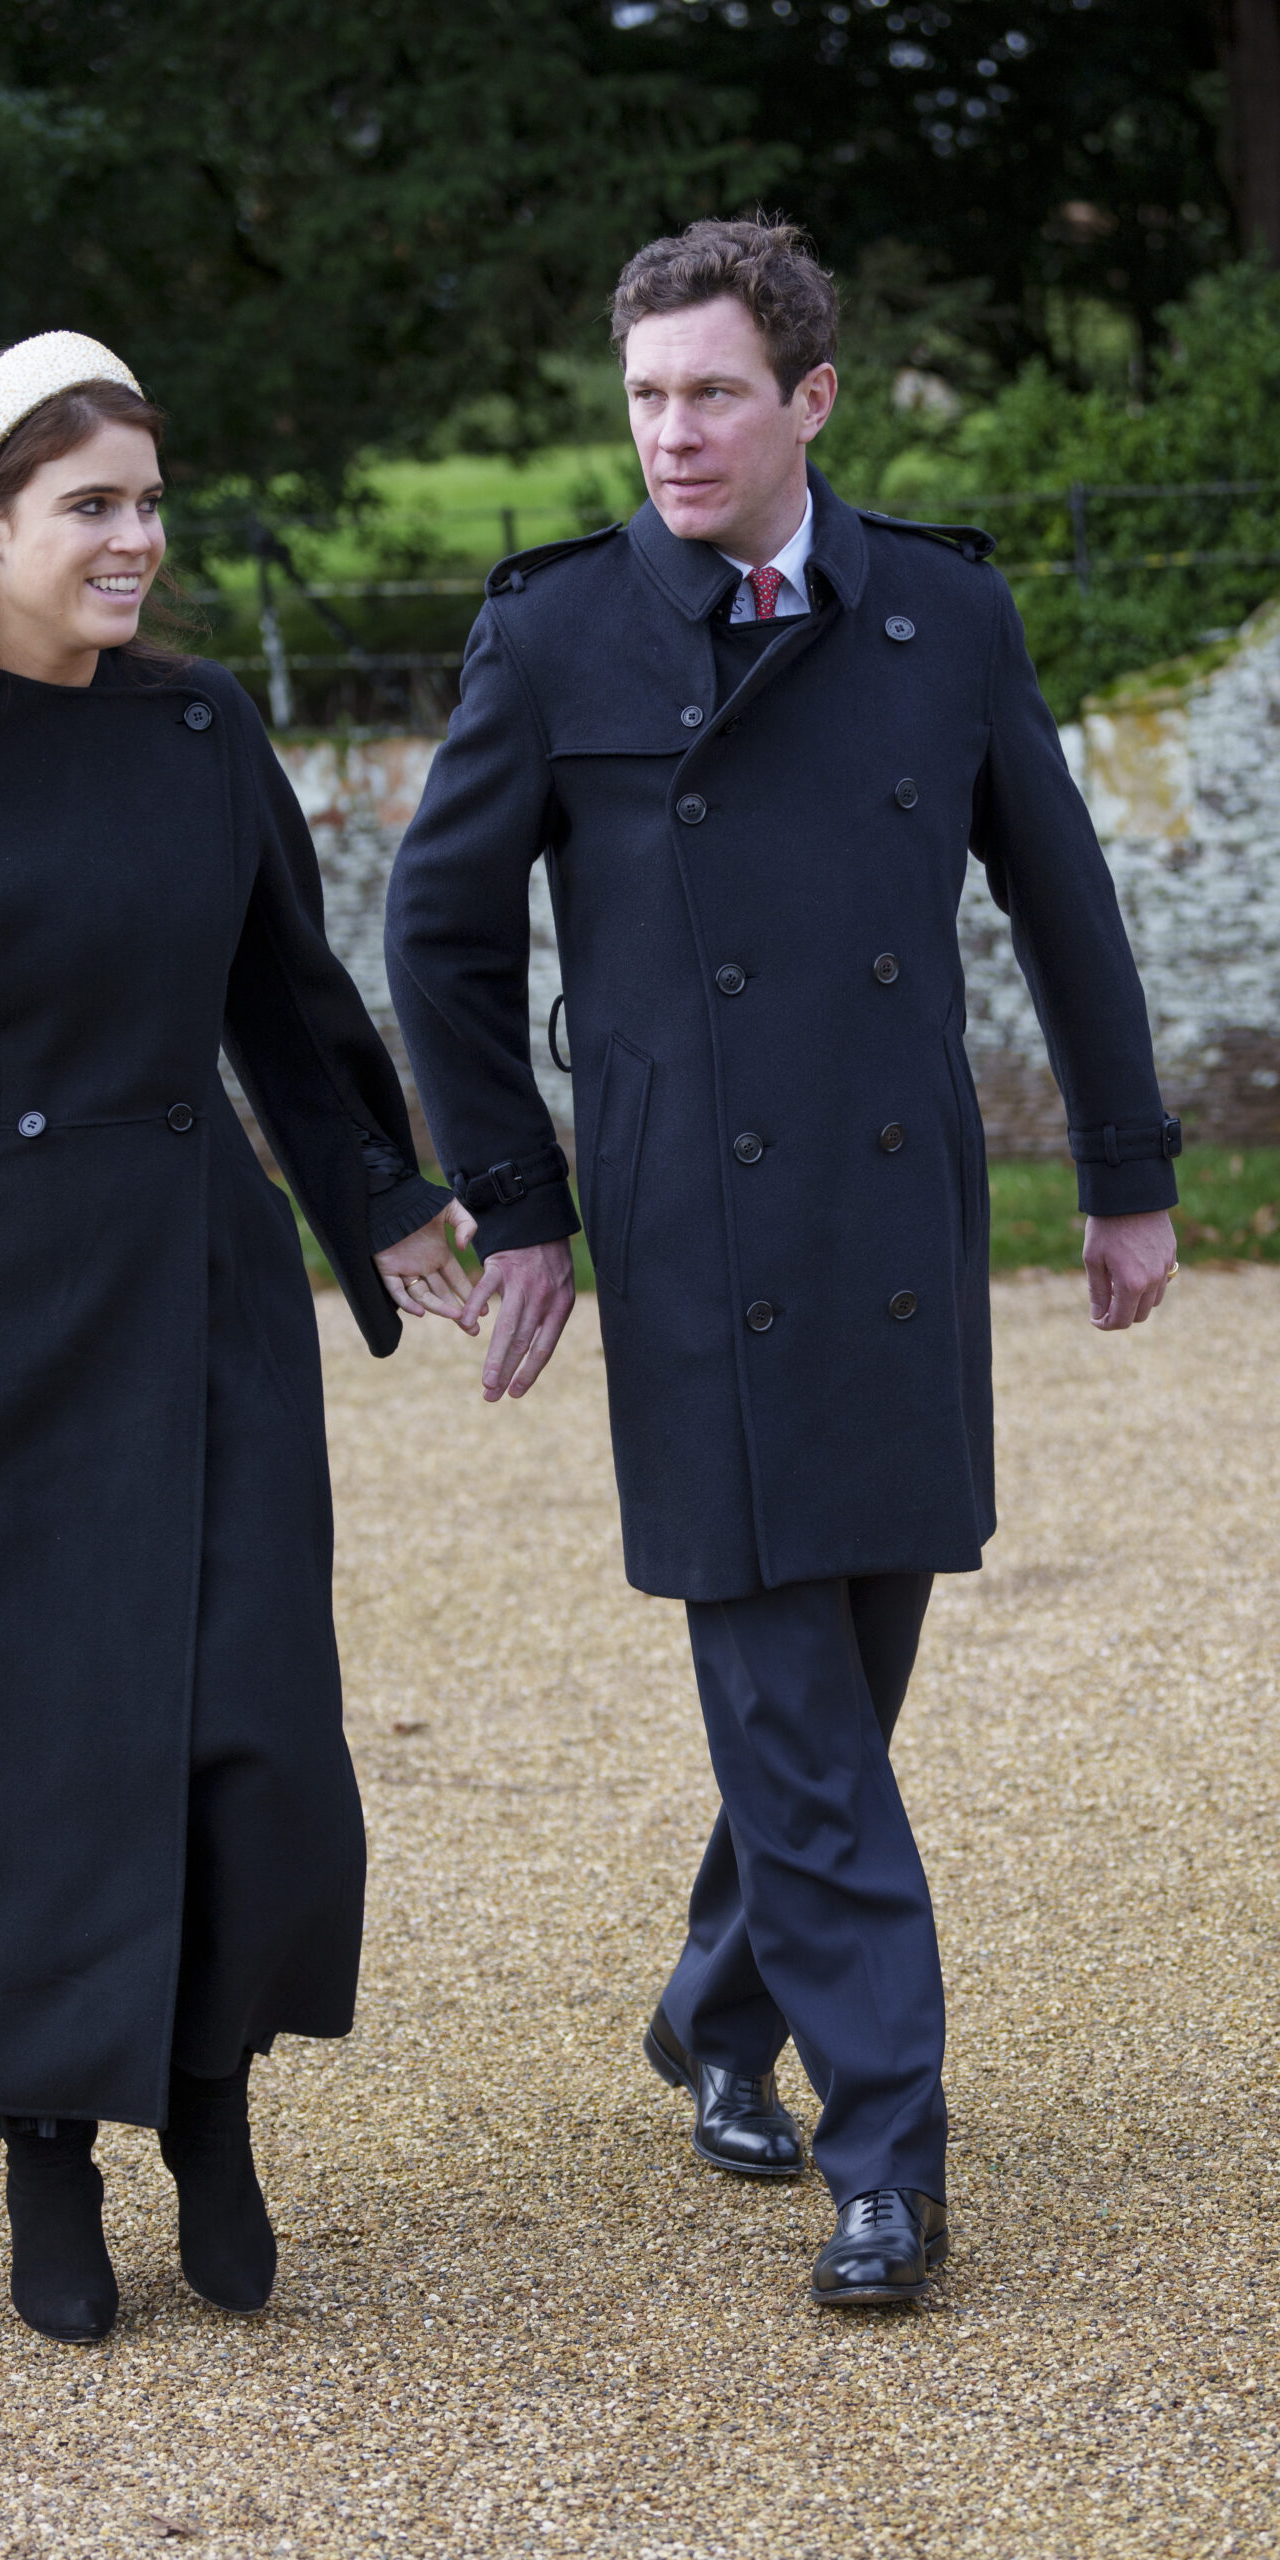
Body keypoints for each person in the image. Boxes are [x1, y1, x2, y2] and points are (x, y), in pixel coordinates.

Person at [384, 221, 1180, 2307]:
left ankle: (708, 2006)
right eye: (643, 395)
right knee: (793, 1700)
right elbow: (436, 937)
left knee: (853, 1665)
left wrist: (1124, 1170)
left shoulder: (937, 609)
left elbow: (1064, 902)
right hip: (684, 1237)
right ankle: (885, 2146)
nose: (668, 432)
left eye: (709, 392)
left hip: (896, 1214)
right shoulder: (556, 638)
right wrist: (520, 1195)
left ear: (807, 398)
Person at [0, 331, 474, 2345]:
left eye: (148, 499)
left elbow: (284, 1001)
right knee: (21, 1759)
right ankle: (45, 2151)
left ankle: (206, 2105)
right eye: (92, 506)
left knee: (247, 1728)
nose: (136, 538)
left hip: (195, 1284)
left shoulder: (201, 729)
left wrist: (384, 1200)